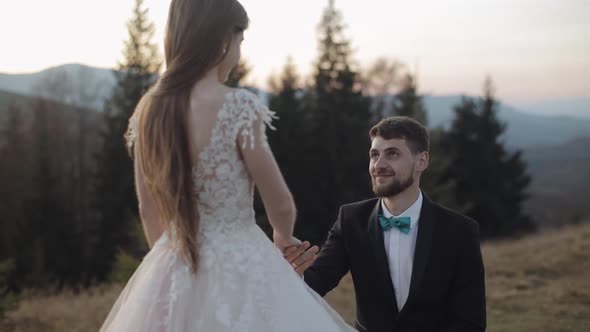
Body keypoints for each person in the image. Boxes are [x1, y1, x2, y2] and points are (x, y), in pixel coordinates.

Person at [100, 0, 354, 331]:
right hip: (241, 261)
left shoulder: (149, 110)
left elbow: (149, 210)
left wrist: (173, 272)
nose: (238, 53)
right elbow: (280, 202)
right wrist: (282, 236)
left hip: (173, 258)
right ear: (222, 39)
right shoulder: (237, 106)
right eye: (240, 41)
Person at [285, 116, 486, 332]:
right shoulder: (351, 220)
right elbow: (316, 282)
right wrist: (291, 273)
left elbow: (470, 322)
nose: (379, 165)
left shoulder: (460, 231)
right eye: (374, 155)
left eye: (392, 154)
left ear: (422, 161)